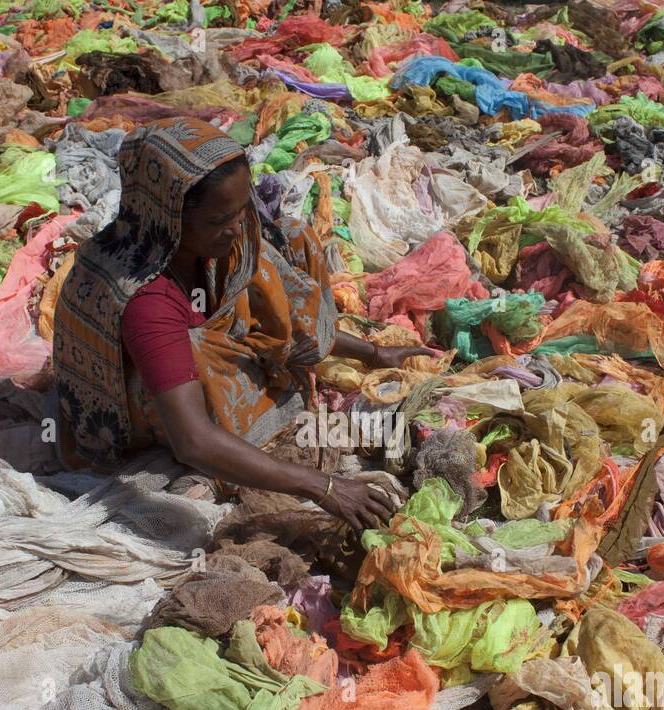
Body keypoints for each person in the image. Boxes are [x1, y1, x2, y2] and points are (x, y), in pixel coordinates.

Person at [52, 116, 431, 530]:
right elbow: (192, 438)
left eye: (240, 209)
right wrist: (321, 486)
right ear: (168, 217)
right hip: (138, 411)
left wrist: (374, 353)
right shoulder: (148, 298)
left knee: (290, 239)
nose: (235, 228)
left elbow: (272, 315)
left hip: (177, 352)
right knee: (199, 354)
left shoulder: (219, 246)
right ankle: (236, 440)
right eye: (217, 221)